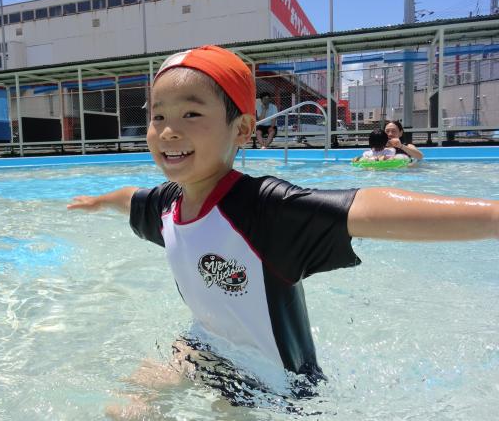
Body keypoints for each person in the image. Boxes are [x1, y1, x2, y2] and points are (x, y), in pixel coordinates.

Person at [67, 45, 497, 411]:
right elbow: (131, 197)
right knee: (123, 410)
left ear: (242, 129)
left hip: (271, 385)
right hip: (200, 346)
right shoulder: (167, 203)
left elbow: (367, 208)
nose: (167, 131)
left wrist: (493, 217)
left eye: (191, 113)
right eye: (158, 115)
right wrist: (99, 201)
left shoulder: (264, 209)